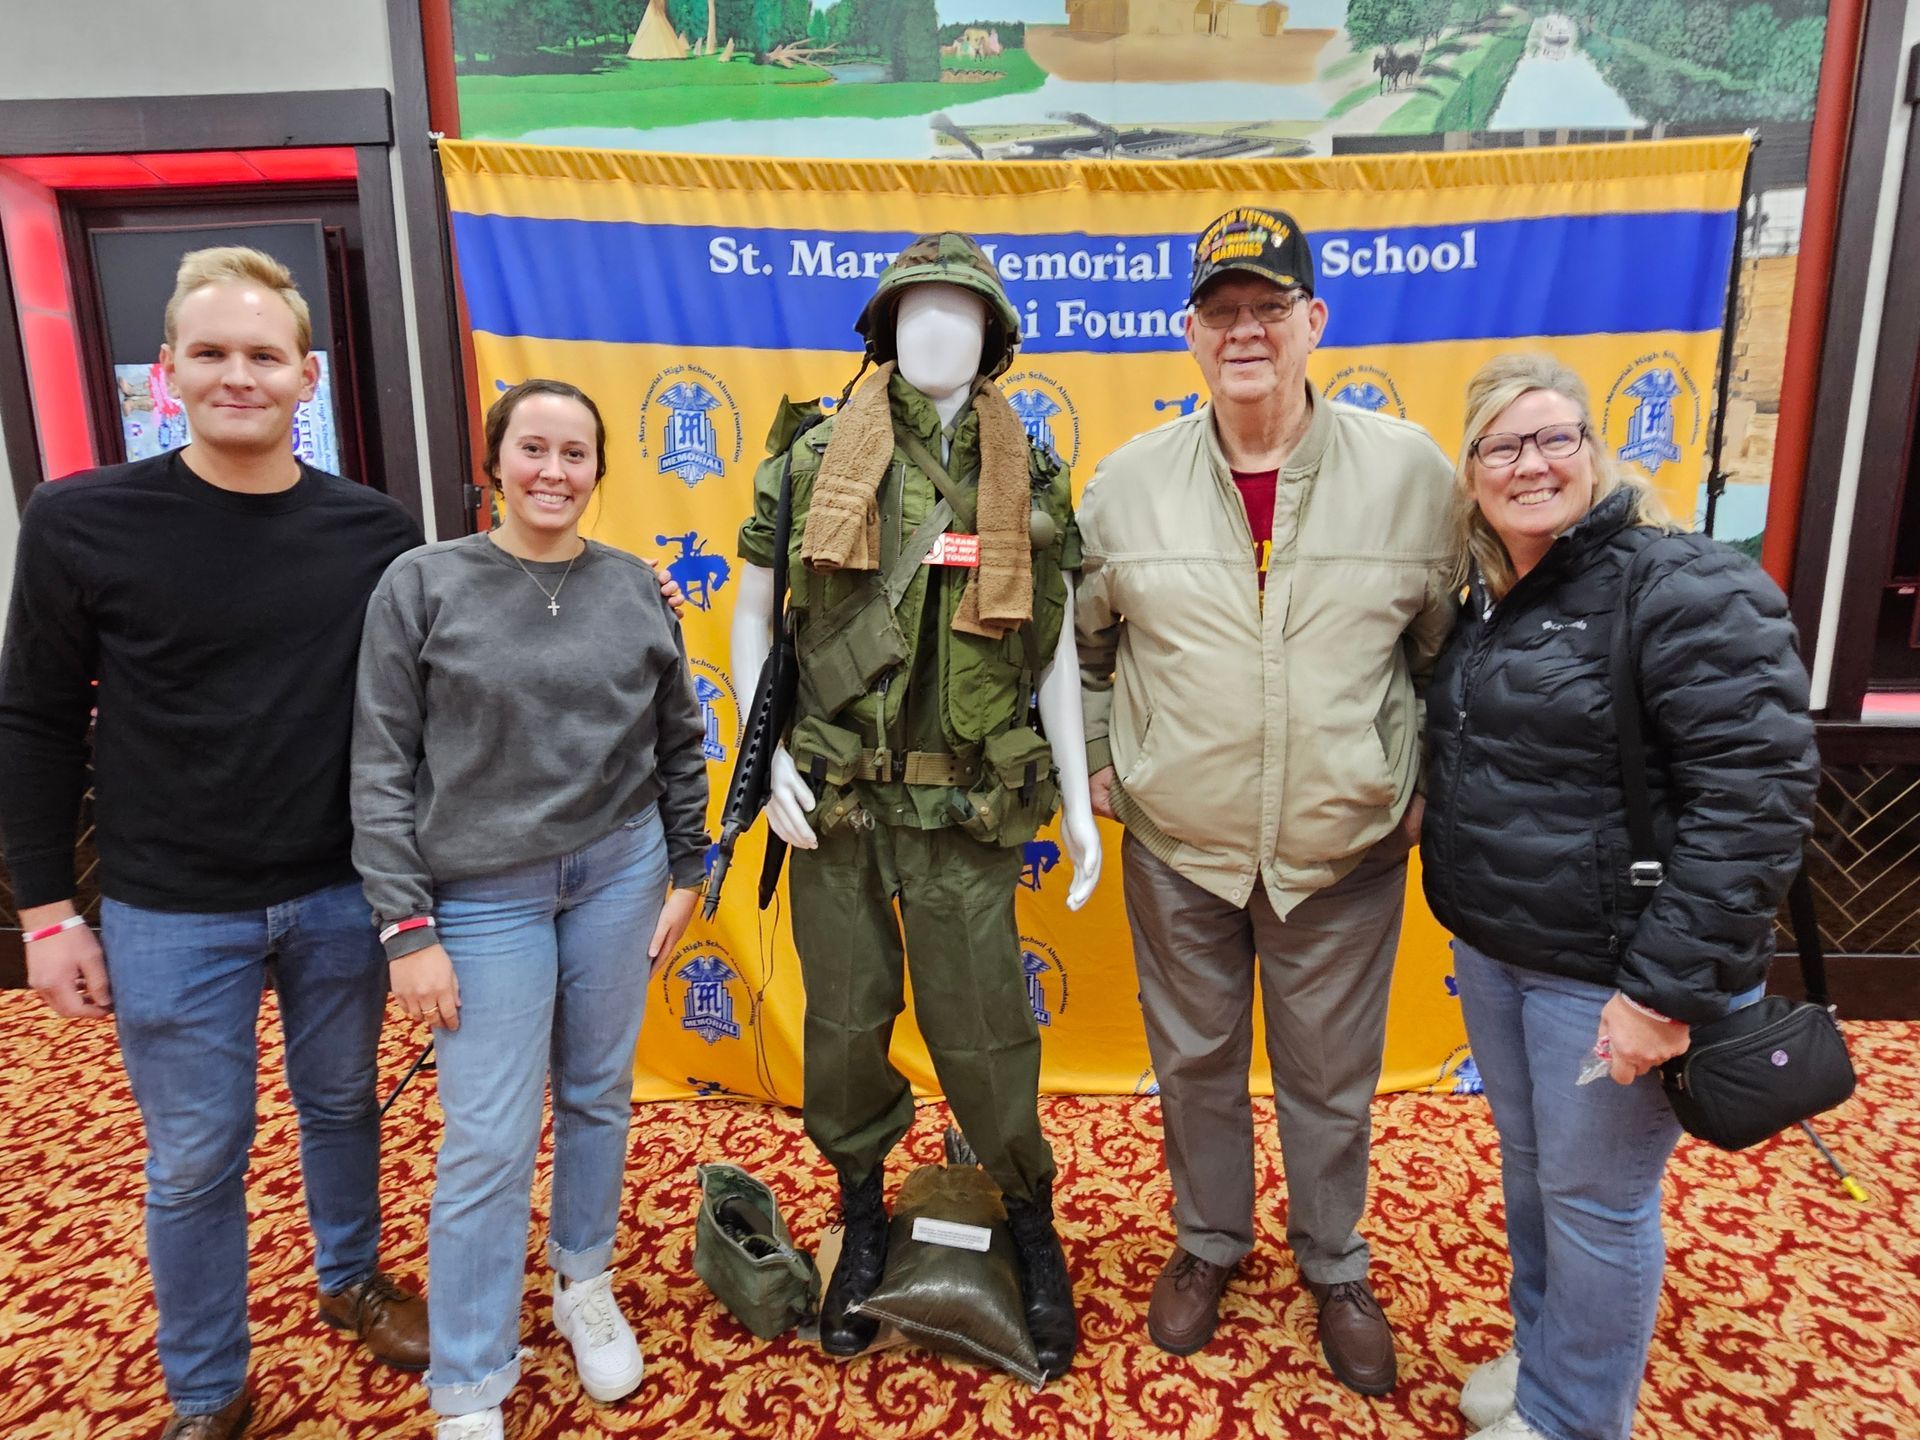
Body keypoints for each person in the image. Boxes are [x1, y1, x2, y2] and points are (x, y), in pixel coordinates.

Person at [0, 246, 430, 1440]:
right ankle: (207, 1388)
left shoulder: (373, 532)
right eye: (211, 353)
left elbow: (426, 700)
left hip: (339, 889)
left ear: (306, 376)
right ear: (168, 372)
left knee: (343, 1102)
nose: (238, 375)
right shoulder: (81, 520)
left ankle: (351, 1280)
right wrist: (46, 910)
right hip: (169, 905)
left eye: (263, 355)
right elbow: (33, 721)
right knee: (195, 1155)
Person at [1074, 206, 1456, 1392]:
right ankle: (1208, 1241)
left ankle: (1335, 1261)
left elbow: (1449, 656)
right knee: (1194, 1064)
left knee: (1330, 1077)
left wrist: (1417, 781)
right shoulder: (1125, 486)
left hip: (1344, 853)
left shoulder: (1412, 476)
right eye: (1222, 310)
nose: (1246, 330)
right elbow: (1084, 652)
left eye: (1269, 307)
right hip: (1179, 847)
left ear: (1314, 321)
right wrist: (1103, 761)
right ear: (1189, 334)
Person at [1419, 352, 1817, 1440]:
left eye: (1556, 437)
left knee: (1596, 1201)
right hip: (1500, 951)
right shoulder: (1490, 598)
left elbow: (1755, 803)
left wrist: (1662, 993)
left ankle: (1572, 1417)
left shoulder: (1680, 585)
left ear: (1595, 451)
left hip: (1614, 973)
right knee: (1535, 1176)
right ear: (1472, 472)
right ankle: (1546, 1360)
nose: (1531, 464)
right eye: (1503, 445)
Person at [730, 233, 1099, 1380]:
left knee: (987, 1037)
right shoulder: (809, 460)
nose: (938, 330)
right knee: (844, 1034)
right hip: (837, 803)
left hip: (966, 811)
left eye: (963, 312)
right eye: (916, 310)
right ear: (884, 330)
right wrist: (765, 761)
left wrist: (1079, 806)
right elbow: (752, 615)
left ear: (995, 339)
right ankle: (860, 1214)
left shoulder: (1030, 473)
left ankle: (1028, 1220)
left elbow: (1051, 650)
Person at [350, 378, 709, 1440]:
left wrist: (689, 870)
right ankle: (469, 1376)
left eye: (575, 454)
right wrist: (406, 928)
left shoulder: (634, 586)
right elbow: (380, 765)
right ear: (495, 462)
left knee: (598, 1093)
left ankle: (582, 1281)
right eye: (533, 449)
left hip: (619, 874)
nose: (554, 471)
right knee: (489, 1139)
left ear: (599, 470)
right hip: (481, 897)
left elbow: (678, 737)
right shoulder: (422, 583)